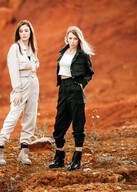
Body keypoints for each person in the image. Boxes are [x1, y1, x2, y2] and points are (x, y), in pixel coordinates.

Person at [0, 20, 39, 166]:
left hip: (34, 83)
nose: (24, 33)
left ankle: (23, 152)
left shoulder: (32, 48)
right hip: (21, 85)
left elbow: (34, 66)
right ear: (18, 33)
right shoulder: (15, 48)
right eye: (21, 31)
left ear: (30, 32)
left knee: (30, 116)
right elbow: (13, 71)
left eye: (26, 30)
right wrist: (17, 90)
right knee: (13, 115)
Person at [49, 26, 94, 171]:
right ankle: (59, 157)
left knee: (78, 124)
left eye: (75, 38)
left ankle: (77, 158)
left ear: (79, 39)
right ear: (66, 39)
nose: (73, 41)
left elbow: (89, 73)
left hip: (75, 88)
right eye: (70, 38)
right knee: (58, 126)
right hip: (63, 88)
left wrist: (82, 84)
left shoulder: (83, 56)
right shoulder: (63, 52)